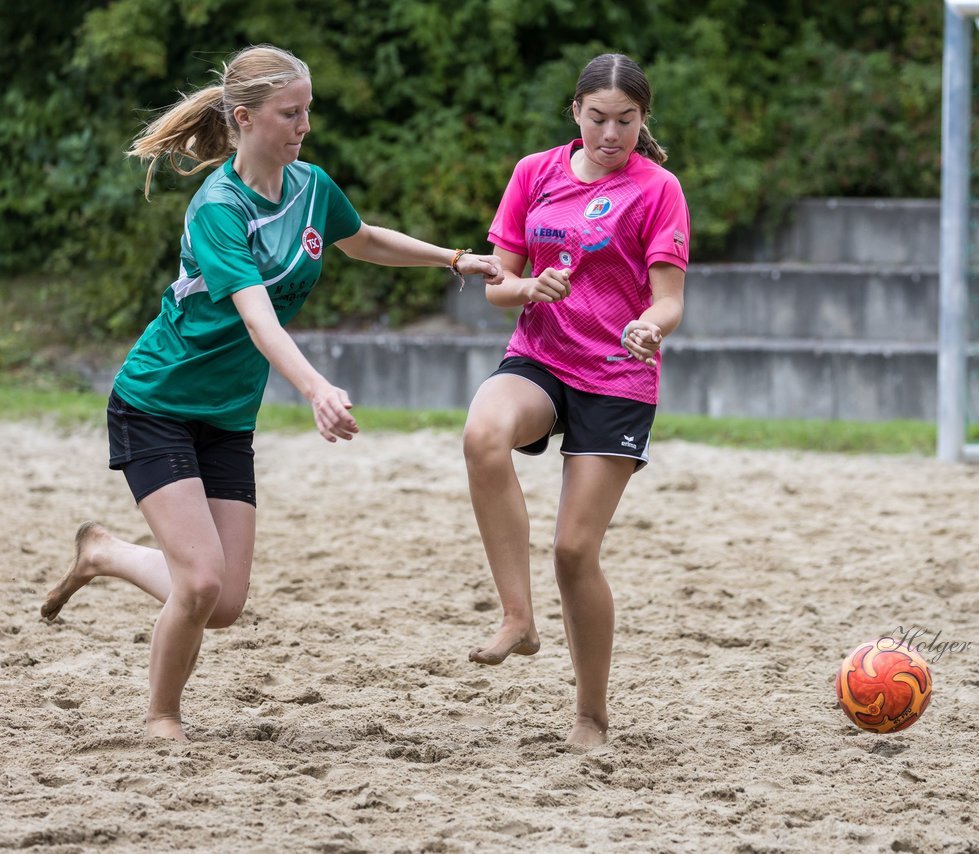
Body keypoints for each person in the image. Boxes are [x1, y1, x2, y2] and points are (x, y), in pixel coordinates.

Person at [39, 44, 502, 742]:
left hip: (225, 417)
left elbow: (364, 239)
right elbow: (257, 316)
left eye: (307, 110)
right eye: (290, 114)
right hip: (156, 404)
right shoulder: (219, 208)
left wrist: (454, 259)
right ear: (245, 118)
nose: (304, 126)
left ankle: (104, 554)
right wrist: (315, 387)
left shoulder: (311, 186)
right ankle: (162, 716)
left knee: (223, 603)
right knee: (197, 586)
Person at [462, 53, 690, 748]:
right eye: (598, 118)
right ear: (575, 113)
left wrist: (650, 326)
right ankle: (517, 617)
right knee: (482, 434)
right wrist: (527, 290)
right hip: (541, 356)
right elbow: (499, 282)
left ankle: (591, 714)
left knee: (573, 551)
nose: (611, 133)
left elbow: (669, 300)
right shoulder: (536, 173)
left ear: (643, 120)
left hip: (617, 375)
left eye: (626, 120)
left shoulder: (659, 189)